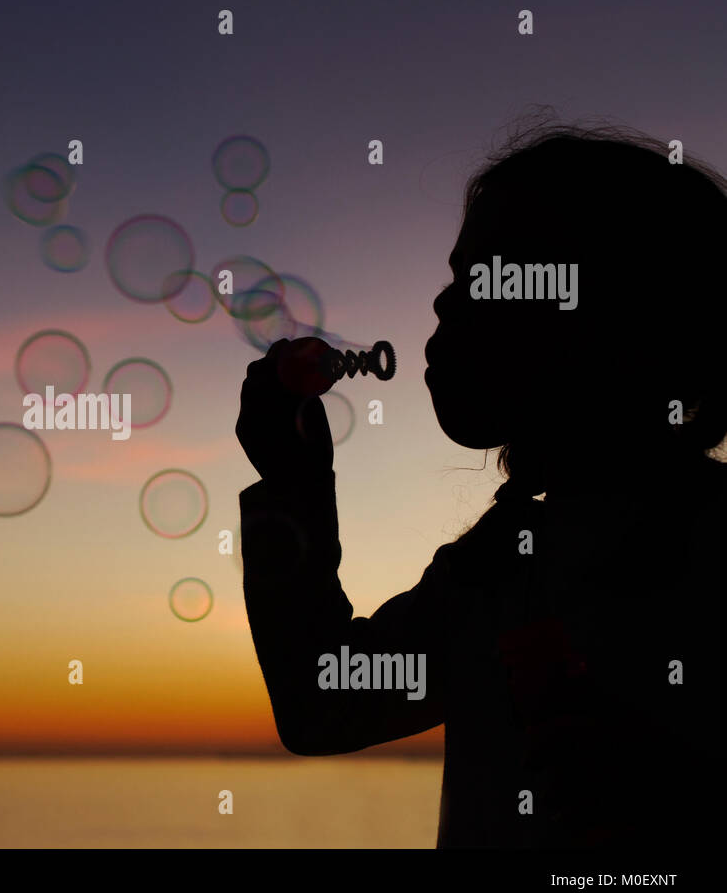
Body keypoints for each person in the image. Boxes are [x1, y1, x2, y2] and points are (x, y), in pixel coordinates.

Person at [235, 123, 727, 847]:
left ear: (615, 323)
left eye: (485, 277)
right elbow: (322, 700)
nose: (441, 303)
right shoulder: (495, 568)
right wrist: (293, 484)